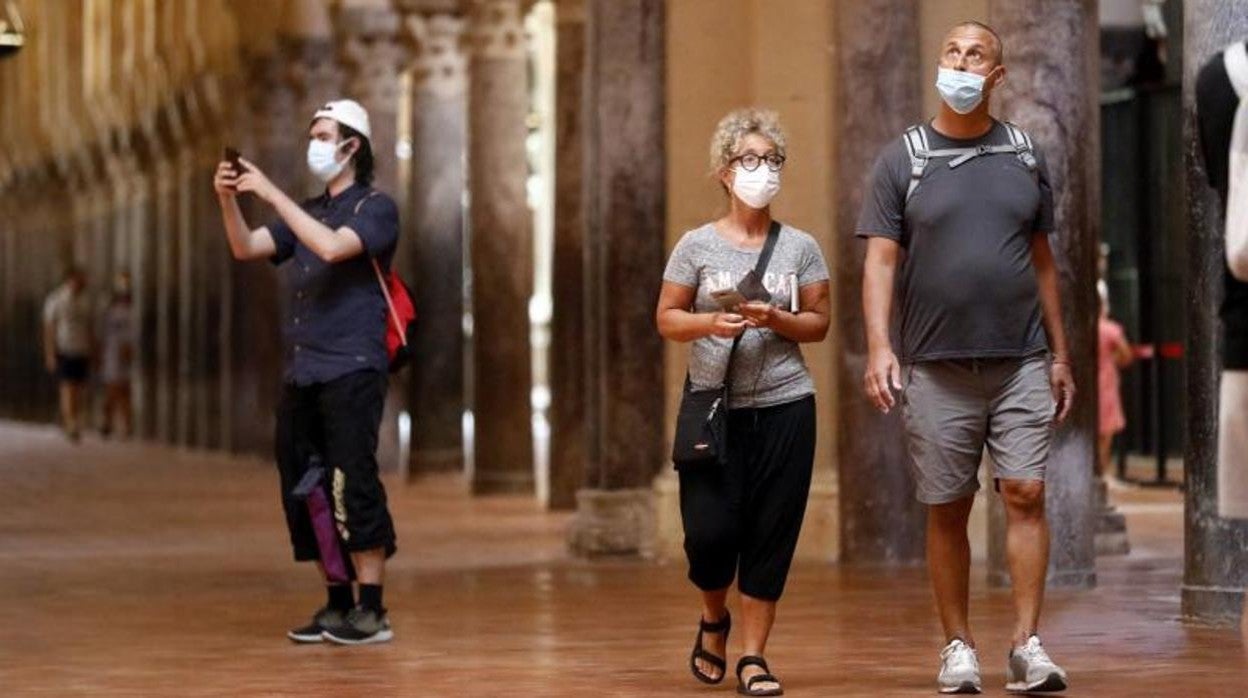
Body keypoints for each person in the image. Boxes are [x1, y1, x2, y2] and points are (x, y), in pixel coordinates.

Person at [857, 22, 1073, 694]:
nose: (961, 61)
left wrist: (1061, 354)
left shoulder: (1025, 155)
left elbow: (1042, 263)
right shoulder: (904, 159)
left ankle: (1028, 644)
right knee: (948, 505)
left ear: (997, 75)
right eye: (952, 51)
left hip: (1020, 359)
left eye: (976, 54)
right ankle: (958, 646)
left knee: (1027, 493)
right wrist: (878, 345)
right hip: (936, 364)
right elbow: (880, 261)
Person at [656, 108, 830, 697]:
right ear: (725, 173)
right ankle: (713, 617)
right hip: (713, 406)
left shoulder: (801, 247)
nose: (761, 171)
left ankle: (754, 655)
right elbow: (667, 318)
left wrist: (777, 317)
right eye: (748, 160)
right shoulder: (695, 246)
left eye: (771, 161)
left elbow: (819, 323)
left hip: (786, 406)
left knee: (770, 532)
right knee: (708, 535)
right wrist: (711, 322)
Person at [213, 99, 400, 645]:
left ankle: (373, 608)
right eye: (312, 134)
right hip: (304, 373)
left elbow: (333, 247)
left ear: (352, 146)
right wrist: (228, 200)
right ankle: (336, 600)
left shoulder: (375, 208)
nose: (314, 143)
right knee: (307, 490)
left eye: (323, 134)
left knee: (351, 481)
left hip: (352, 368)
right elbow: (247, 246)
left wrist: (270, 194)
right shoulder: (308, 210)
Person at [42, 266, 94, 442]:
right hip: (64, 347)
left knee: (78, 388)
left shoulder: (86, 301)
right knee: (68, 387)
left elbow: (90, 328)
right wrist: (50, 353)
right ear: (70, 279)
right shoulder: (56, 299)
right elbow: (49, 328)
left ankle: (71, 420)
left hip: (82, 348)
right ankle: (71, 423)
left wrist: (94, 350)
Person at [1096, 288, 1132, 478]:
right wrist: (1113, 359)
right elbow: (1126, 353)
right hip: (1106, 383)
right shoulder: (1109, 329)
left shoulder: (1082, 329)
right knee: (1106, 434)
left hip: (1085, 385)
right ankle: (1102, 474)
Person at [99, 272, 135, 439]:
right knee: (112, 389)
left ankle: (126, 426)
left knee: (125, 391)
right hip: (112, 353)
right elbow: (105, 332)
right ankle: (107, 422)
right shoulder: (111, 309)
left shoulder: (131, 309)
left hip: (126, 353)